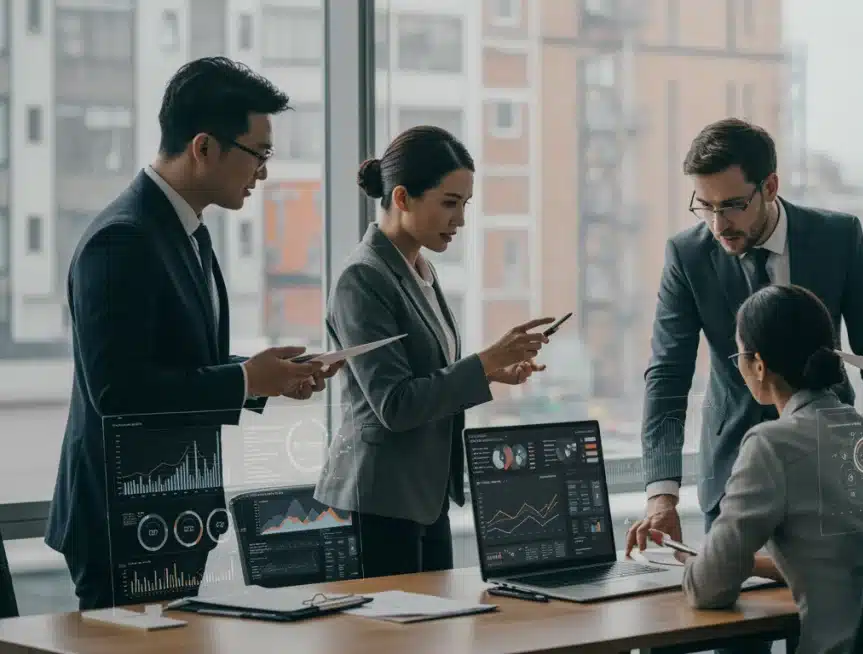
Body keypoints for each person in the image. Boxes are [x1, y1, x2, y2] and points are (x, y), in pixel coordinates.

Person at [47, 57, 341, 609]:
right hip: (124, 522)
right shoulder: (122, 239)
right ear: (204, 147)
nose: (264, 173)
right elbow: (118, 391)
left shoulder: (186, 232)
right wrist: (244, 380)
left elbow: (177, 360)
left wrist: (266, 378)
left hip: (169, 512)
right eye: (259, 154)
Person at [314, 126, 554, 578]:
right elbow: (395, 404)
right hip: (380, 501)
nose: (460, 220)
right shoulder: (362, 279)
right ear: (402, 197)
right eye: (449, 203)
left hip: (425, 497)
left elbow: (428, 372)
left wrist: (492, 372)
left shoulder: (420, 266)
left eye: (465, 205)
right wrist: (483, 363)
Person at [641, 284, 863, 654]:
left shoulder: (771, 444)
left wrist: (697, 562)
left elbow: (709, 589)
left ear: (758, 365)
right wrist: (742, 563)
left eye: (737, 354)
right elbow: (846, 555)